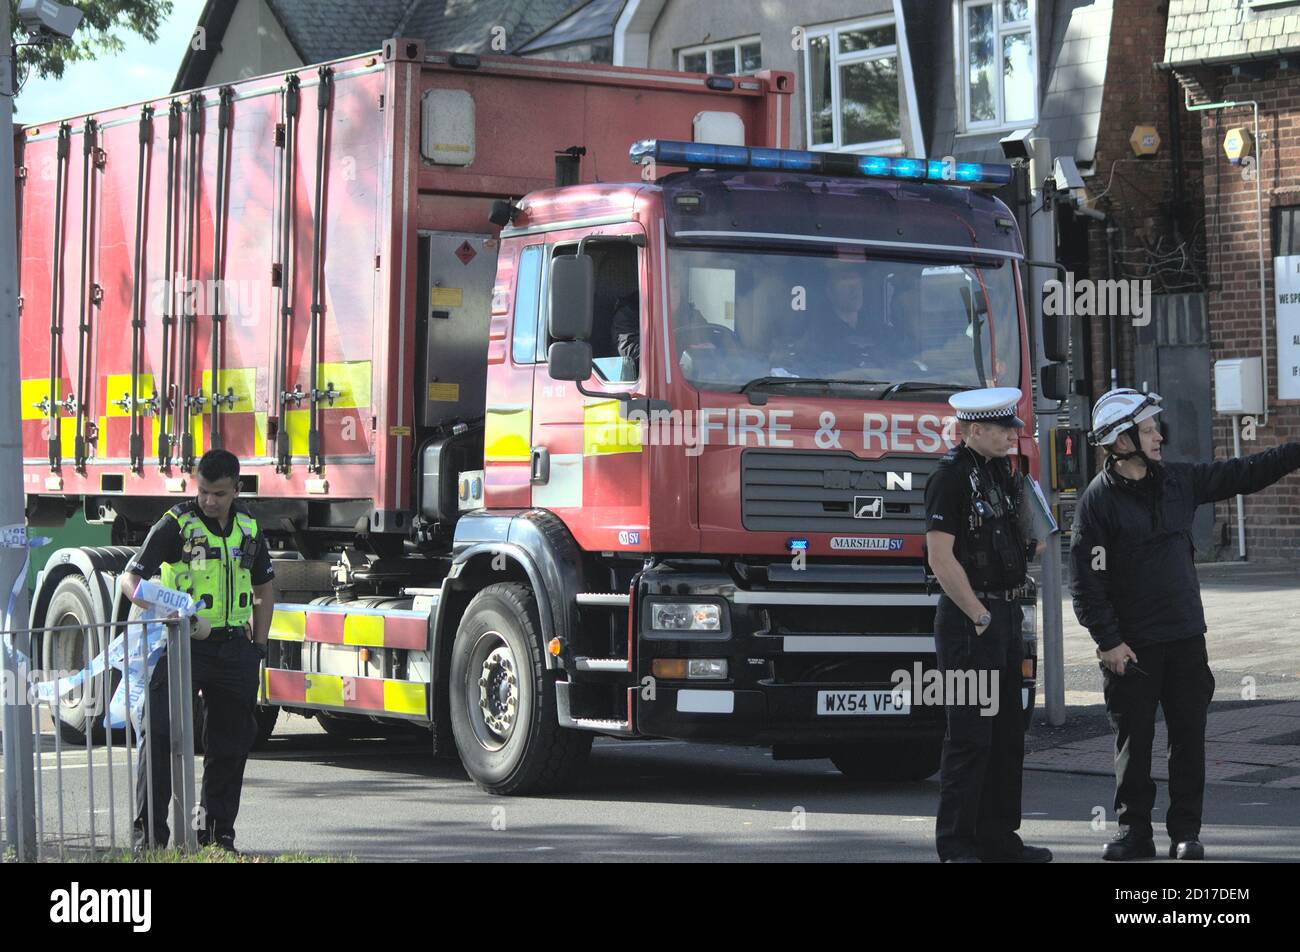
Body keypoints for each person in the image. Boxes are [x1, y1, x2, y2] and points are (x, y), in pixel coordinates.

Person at [1070, 388, 1300, 861]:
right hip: (1132, 648)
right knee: (1134, 745)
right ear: (1120, 440)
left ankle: (1186, 834)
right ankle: (1134, 834)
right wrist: (1109, 642)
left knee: (1188, 741)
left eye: (1156, 427)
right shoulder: (1097, 503)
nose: (1159, 436)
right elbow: (1087, 583)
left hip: (1185, 639)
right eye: (1149, 429)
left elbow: (1243, 473)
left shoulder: (1179, 480)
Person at [120, 448, 274, 853]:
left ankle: (215, 837)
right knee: (158, 736)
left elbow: (264, 589)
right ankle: (149, 842)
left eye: (219, 494)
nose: (209, 500)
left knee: (228, 746)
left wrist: (258, 645)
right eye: (203, 490)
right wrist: (165, 608)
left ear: (237, 489)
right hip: (180, 645)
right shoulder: (176, 523)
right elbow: (130, 581)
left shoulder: (248, 528)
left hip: (234, 650)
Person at [923, 386, 1051, 863]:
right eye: (1002, 430)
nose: (1011, 438)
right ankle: (956, 844)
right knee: (970, 737)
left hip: (1004, 614)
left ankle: (999, 839)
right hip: (966, 620)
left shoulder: (1001, 473)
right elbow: (941, 557)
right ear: (975, 430)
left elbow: (1030, 541)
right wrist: (977, 613)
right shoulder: (950, 478)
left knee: (1005, 736)